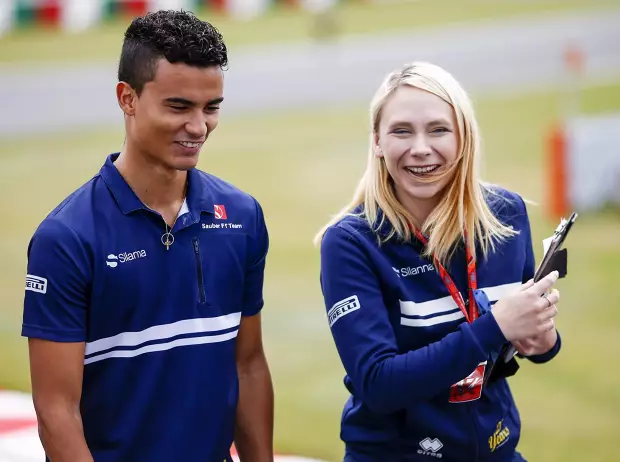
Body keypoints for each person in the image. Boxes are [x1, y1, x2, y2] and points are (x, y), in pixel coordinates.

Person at [21, 10, 273, 462]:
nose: (199, 127)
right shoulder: (65, 239)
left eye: (211, 107)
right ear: (128, 98)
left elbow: (248, 366)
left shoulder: (242, 216)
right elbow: (56, 411)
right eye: (179, 106)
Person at [315, 62, 562, 461]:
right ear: (377, 141)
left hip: (498, 450)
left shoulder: (506, 215)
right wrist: (494, 326)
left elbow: (526, 343)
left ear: (463, 136)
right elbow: (378, 384)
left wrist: (542, 339)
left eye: (438, 129)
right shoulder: (349, 242)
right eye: (401, 131)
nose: (420, 148)